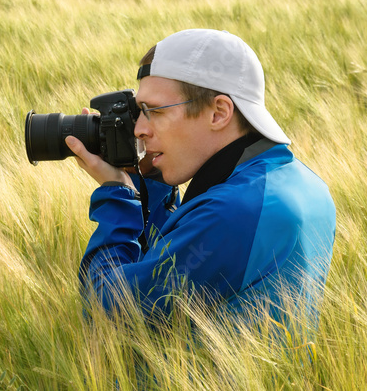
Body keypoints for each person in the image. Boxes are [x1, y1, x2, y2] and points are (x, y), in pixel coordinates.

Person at [66, 29, 336, 327]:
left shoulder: (233, 213)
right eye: (138, 111)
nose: (138, 129)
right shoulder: (301, 183)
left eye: (154, 111)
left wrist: (118, 195)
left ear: (219, 113)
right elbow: (171, 262)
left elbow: (110, 311)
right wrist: (152, 184)